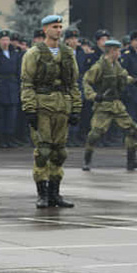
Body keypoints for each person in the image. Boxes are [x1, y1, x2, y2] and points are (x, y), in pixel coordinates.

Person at [20, 15, 81, 209]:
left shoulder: (68, 53)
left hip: (62, 106)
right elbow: (27, 83)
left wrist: (76, 108)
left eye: (60, 26)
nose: (59, 30)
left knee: (59, 151)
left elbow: (73, 84)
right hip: (42, 106)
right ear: (45, 30)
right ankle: (42, 194)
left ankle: (55, 193)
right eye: (55, 27)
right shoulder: (34, 53)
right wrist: (29, 109)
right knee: (43, 151)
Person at [81, 40, 137, 171]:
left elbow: (123, 75)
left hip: (116, 104)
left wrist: (133, 81)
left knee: (133, 129)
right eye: (117, 51)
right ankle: (87, 161)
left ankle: (131, 161)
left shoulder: (116, 64)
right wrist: (94, 96)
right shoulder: (99, 66)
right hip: (103, 105)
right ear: (111, 51)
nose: (119, 53)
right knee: (95, 134)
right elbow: (86, 81)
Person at [0, 30, 21, 148]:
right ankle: (1, 138)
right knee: (0, 115)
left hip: (12, 86)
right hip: (0, 85)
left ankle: (10, 138)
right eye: (3, 40)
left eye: (7, 40)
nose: (5, 42)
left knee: (11, 115)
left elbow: (18, 71)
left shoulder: (14, 53)